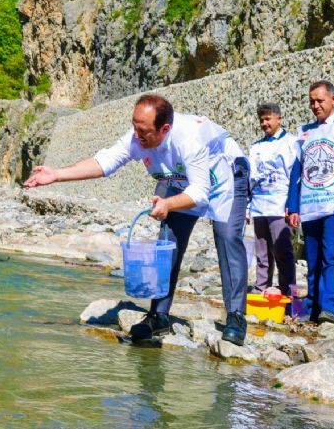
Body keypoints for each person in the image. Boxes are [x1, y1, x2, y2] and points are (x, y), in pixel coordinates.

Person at [24, 94, 251, 345]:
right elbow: (106, 161)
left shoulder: (189, 140)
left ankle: (236, 316)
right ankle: (159, 315)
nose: (136, 135)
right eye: (134, 127)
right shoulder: (138, 137)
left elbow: (199, 192)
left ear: (165, 128)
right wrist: (56, 174)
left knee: (227, 238)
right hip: (180, 180)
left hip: (225, 176)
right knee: (168, 240)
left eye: (143, 130)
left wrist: (168, 203)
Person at [287, 81, 334, 324]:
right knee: (312, 257)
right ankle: (312, 304)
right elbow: (296, 171)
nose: (315, 105)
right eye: (312, 101)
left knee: (331, 255)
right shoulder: (305, 132)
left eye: (320, 100)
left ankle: (328, 305)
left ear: (333, 99)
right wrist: (293, 205)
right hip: (310, 204)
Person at [246, 102, 299, 294]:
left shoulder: (292, 143)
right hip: (259, 206)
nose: (264, 123)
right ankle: (261, 288)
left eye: (268, 119)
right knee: (262, 253)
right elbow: (249, 180)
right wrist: (247, 207)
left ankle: (288, 292)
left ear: (279, 118)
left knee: (283, 251)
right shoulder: (255, 147)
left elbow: (295, 176)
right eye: (261, 120)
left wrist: (293, 205)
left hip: (280, 206)